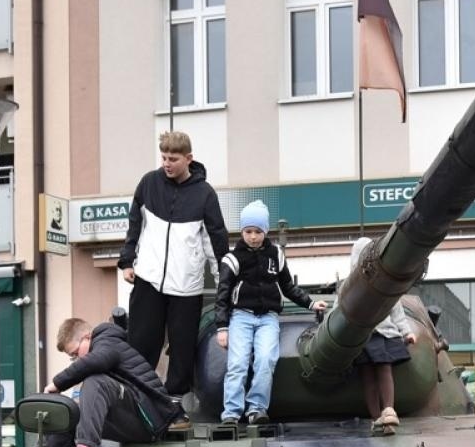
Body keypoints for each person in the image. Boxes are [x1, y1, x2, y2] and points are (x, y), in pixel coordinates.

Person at [0, 317, 187, 447]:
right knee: (70, 412)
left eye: (76, 353)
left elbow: (98, 361)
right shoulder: (100, 348)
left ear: (87, 337)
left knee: (96, 381)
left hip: (152, 420)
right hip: (130, 420)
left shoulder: (108, 339)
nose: (76, 359)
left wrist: (58, 382)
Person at [118, 130, 229, 397]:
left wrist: (225, 281)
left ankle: (175, 402)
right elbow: (135, 225)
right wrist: (127, 261)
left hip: (185, 287)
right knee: (142, 343)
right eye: (164, 157)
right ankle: (138, 396)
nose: (167, 163)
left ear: (188, 158)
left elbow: (216, 244)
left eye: (173, 159)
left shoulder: (205, 195)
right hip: (149, 279)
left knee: (182, 350)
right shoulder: (148, 184)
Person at [214, 199, 326, 428]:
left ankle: (256, 408)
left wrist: (310, 303)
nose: (253, 236)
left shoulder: (276, 255)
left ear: (265, 231)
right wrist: (222, 327)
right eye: (248, 231)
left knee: (266, 360)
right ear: (242, 232)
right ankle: (231, 413)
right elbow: (222, 294)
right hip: (241, 317)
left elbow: (288, 287)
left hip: (268, 318)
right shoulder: (233, 259)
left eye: (257, 231)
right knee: (237, 363)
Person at [343, 236, 417, 431]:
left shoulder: (386, 285)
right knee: (367, 375)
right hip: (362, 336)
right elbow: (340, 309)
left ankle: (389, 411)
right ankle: (376, 417)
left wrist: (407, 332)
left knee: (384, 368)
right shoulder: (349, 286)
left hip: (385, 332)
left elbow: (397, 311)